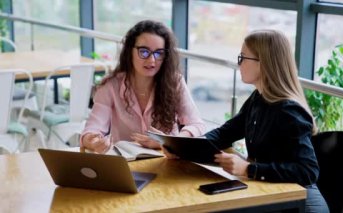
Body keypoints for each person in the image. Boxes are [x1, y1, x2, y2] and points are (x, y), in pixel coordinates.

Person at [204, 30, 329, 212]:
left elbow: (307, 171)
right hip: (273, 195)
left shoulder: (289, 111)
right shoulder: (258, 98)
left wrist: (249, 169)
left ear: (263, 63)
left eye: (243, 58)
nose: (239, 64)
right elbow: (225, 132)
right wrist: (183, 147)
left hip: (300, 204)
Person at [80, 20, 206, 153]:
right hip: (127, 163)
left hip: (166, 160)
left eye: (159, 53)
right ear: (130, 51)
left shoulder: (175, 82)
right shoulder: (111, 85)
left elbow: (197, 124)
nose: (152, 60)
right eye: (144, 52)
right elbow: (91, 130)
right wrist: (93, 141)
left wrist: (169, 142)